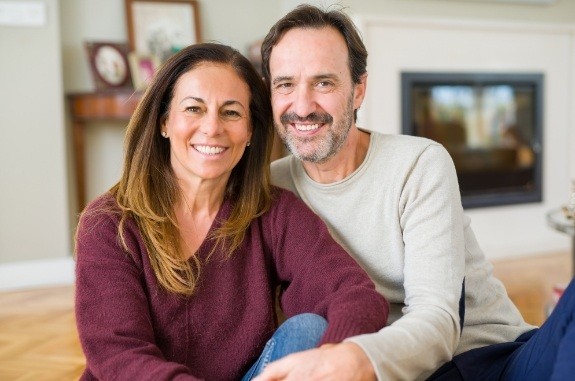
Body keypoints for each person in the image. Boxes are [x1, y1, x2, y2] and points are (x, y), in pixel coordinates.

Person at [254, 4, 575, 381]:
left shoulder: (419, 163)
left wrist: (355, 359)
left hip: (494, 360)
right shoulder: (269, 188)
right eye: (285, 84)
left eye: (324, 82)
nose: (303, 105)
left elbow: (437, 318)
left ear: (358, 90)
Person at [74, 42, 389, 381]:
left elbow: (353, 292)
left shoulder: (273, 213)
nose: (212, 128)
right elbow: (118, 355)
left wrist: (334, 357)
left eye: (231, 112)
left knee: (309, 331)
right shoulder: (109, 224)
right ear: (164, 121)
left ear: (250, 130)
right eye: (194, 109)